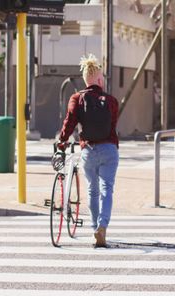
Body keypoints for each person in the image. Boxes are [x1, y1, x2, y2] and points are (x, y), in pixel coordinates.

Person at [57, 54, 119, 248]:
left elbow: (69, 123)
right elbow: (113, 125)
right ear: (100, 80)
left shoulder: (76, 98)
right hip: (109, 149)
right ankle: (103, 226)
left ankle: (94, 227)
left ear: (85, 80)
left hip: (89, 151)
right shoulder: (111, 101)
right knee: (106, 190)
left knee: (92, 191)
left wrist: (62, 141)